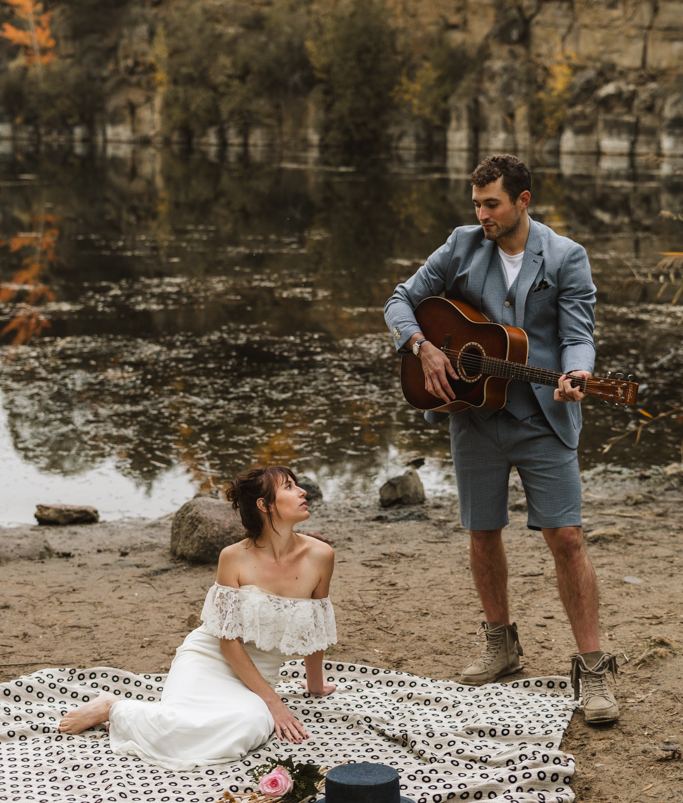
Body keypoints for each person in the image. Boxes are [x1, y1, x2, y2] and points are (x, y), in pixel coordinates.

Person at [384, 154, 619, 724]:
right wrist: (424, 346)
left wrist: (578, 374)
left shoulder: (566, 257)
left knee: (566, 537)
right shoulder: (462, 245)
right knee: (483, 533)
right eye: (477, 204)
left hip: (543, 418)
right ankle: (501, 644)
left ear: (523, 201)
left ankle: (592, 669)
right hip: (474, 416)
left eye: (492, 204)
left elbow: (577, 336)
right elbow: (398, 301)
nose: (482, 214)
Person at [58, 467, 337, 767]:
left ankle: (120, 711)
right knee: (179, 727)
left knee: (244, 729)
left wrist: (315, 686)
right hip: (209, 659)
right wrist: (275, 703)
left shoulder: (321, 555)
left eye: (297, 486)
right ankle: (112, 707)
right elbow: (227, 641)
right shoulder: (234, 557)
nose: (302, 491)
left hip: (258, 675)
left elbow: (315, 628)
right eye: (289, 487)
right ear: (265, 505)